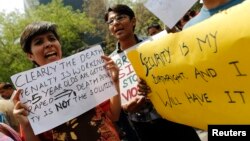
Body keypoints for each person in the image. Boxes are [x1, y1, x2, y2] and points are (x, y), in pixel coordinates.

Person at [105, 4, 201, 141]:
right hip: (142, 129)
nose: (116, 23)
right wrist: (125, 107)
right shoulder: (111, 63)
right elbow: (114, 101)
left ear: (133, 21)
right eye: (111, 21)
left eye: (121, 17)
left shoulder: (156, 43)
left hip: (175, 119)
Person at [13, 21, 121, 141]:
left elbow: (114, 115)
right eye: (39, 42)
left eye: (52, 39)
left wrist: (115, 82)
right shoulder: (27, 96)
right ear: (30, 55)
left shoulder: (85, 74)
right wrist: (26, 125)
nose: (48, 44)